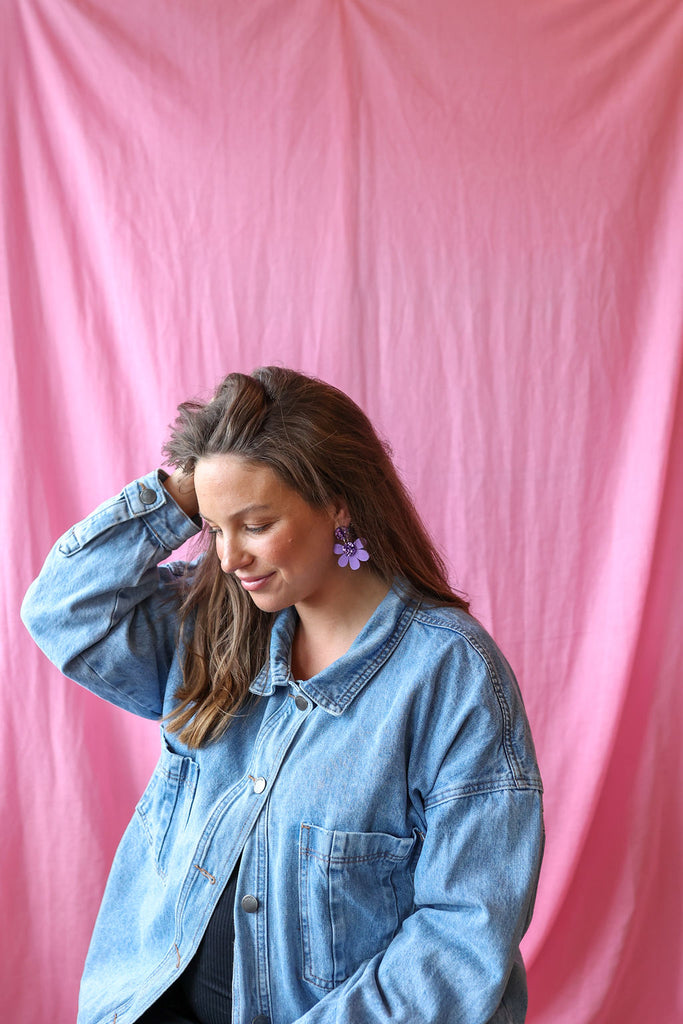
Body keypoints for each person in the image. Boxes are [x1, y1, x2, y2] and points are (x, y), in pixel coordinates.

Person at [21, 366, 544, 1024]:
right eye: (213, 529)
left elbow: (462, 934)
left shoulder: (449, 674)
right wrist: (194, 482)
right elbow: (61, 609)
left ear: (338, 502)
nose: (229, 557)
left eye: (256, 523)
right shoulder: (211, 625)